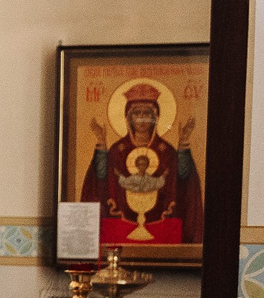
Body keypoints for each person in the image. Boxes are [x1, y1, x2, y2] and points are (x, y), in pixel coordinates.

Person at [79, 81, 201, 245]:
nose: (142, 119)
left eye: (147, 113)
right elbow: (101, 177)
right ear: (129, 118)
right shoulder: (117, 150)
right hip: (120, 223)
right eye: (137, 113)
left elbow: (184, 178)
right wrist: (101, 142)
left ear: (155, 117)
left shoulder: (166, 150)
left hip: (163, 223)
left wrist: (184, 143)